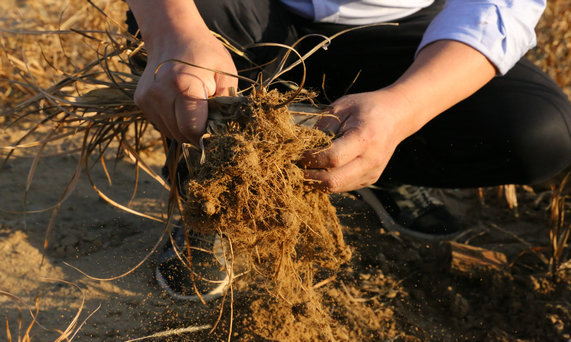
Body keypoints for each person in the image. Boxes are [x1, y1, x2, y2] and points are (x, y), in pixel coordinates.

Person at [125, 0, 571, 301]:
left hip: (410, 27)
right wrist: (172, 29)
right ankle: (212, 202)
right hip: (241, 14)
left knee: (540, 132)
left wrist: (405, 109)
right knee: (194, 64)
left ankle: (380, 163)